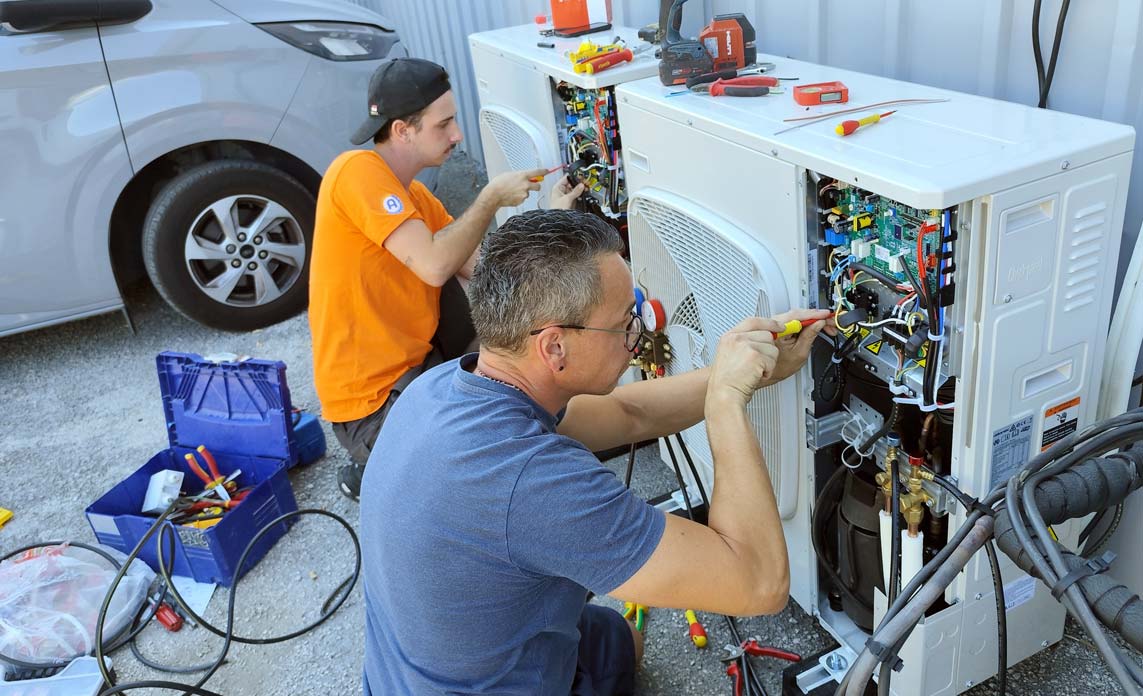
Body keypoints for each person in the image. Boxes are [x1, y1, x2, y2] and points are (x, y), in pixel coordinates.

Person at [359, 208, 834, 694]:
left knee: (623, 638)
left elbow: (632, 414)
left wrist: (755, 370)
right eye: (627, 322)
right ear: (554, 348)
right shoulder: (537, 486)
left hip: (409, 674)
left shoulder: (447, 385)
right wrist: (728, 404)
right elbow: (760, 581)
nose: (639, 335)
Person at [309, 58, 585, 500]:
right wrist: (491, 197)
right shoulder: (354, 171)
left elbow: (489, 268)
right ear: (402, 130)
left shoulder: (416, 196)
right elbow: (435, 263)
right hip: (377, 405)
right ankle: (387, 467)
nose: (457, 135)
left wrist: (552, 216)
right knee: (494, 472)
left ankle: (400, 466)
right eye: (445, 124)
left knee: (508, 317)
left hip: (423, 370)